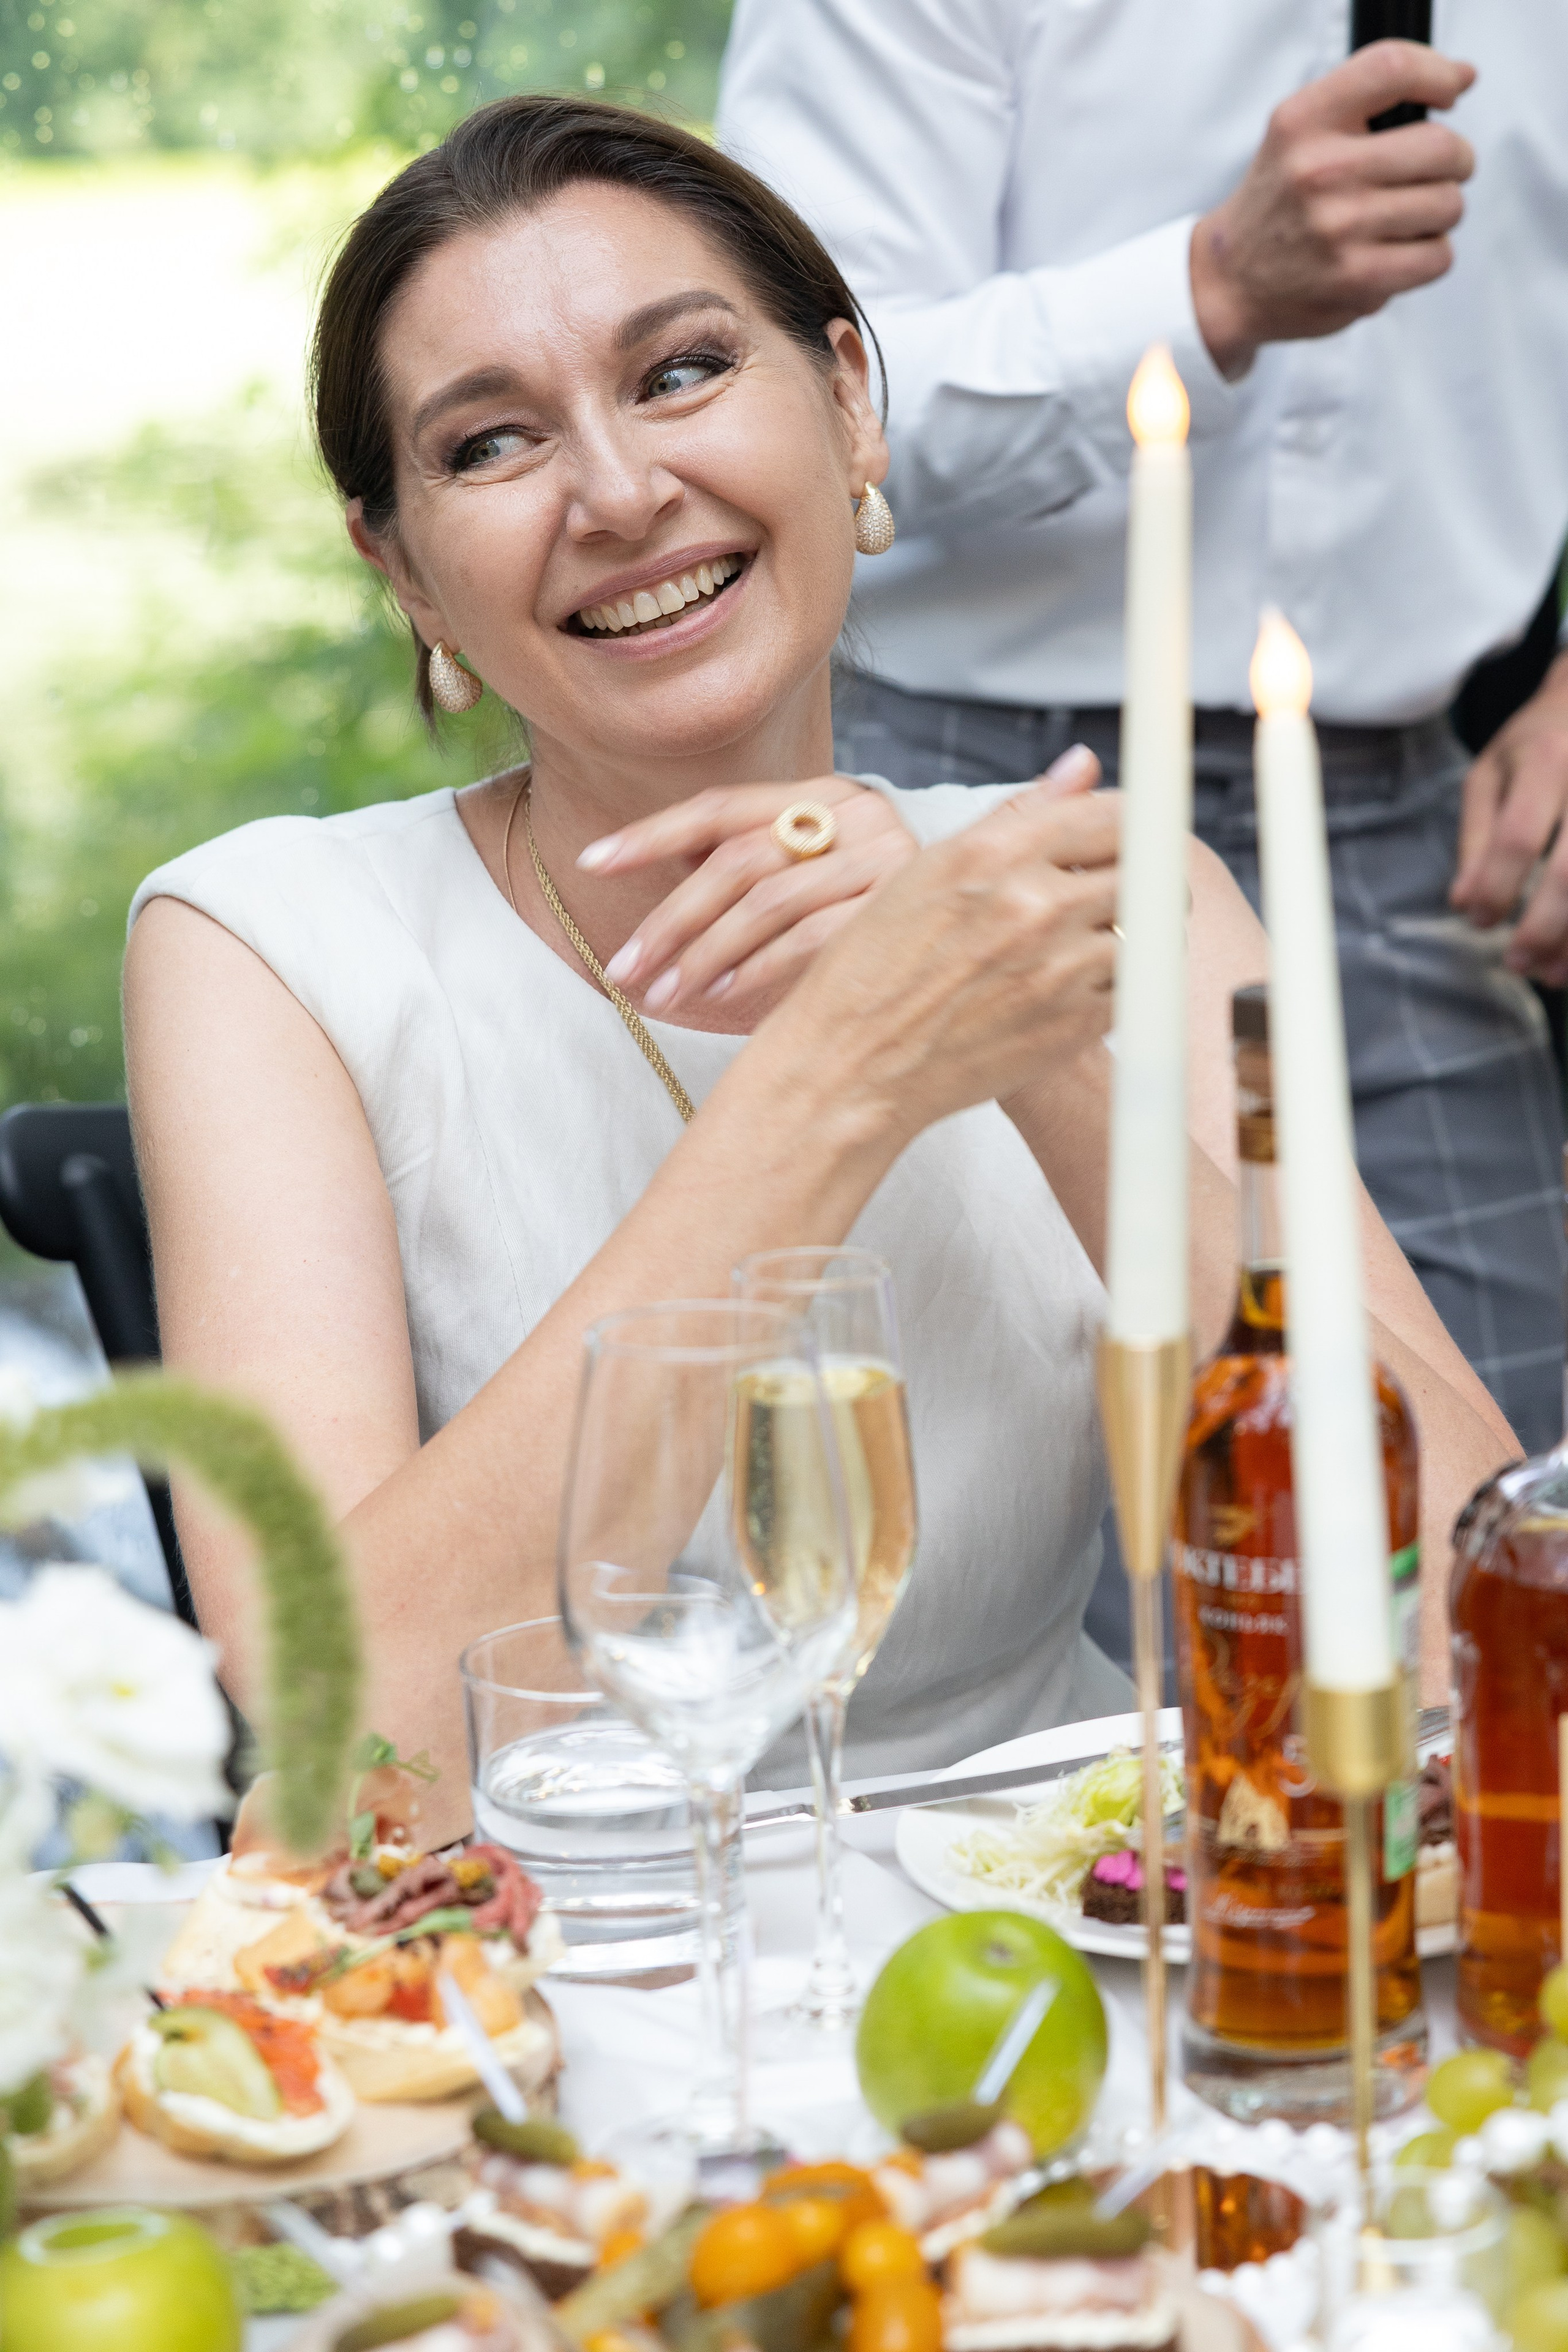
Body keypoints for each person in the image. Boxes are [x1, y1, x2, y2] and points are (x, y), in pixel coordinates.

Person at [123, 99, 1512, 1843]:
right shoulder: (265, 946)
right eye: (489, 447)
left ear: (852, 400)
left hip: (1073, 1938)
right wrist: (838, 1074)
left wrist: (1025, 1034)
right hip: (559, 1987)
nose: (622, 494)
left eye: (684, 371)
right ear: (401, 568)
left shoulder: (1113, 881)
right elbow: (352, 1750)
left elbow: (1472, 1623)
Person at [718, 3, 1568, 1456]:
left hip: (1413, 843)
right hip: (968, 807)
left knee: (1498, 1533)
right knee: (1030, 1503)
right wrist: (1211, 283)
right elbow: (788, 402)